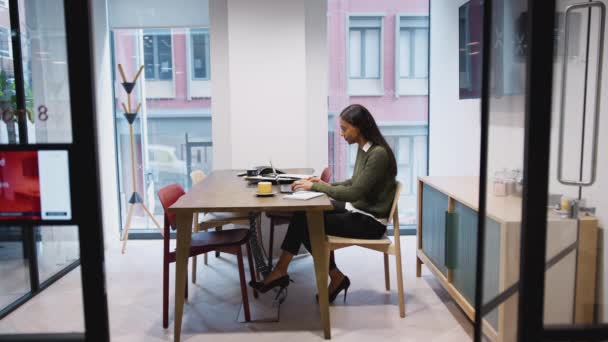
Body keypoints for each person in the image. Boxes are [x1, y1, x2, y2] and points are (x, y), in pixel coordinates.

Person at [249, 104, 397, 303]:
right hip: (359, 210)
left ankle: (290, 273)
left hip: (370, 222)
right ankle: (294, 273)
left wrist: (316, 188)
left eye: (345, 129)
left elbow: (354, 192)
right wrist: (325, 183)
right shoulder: (365, 149)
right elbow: (354, 182)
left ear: (359, 127)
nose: (342, 134)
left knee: (309, 223)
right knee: (303, 214)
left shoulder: (378, 154)